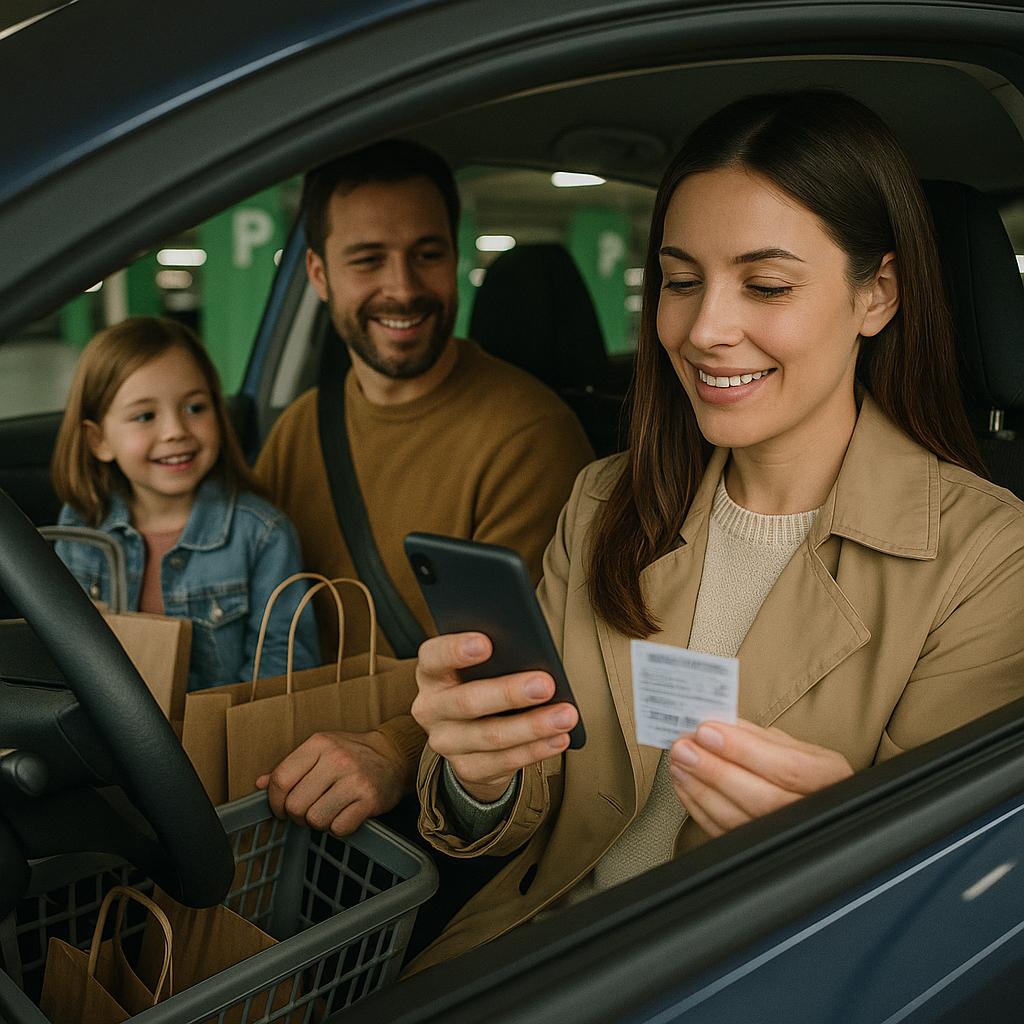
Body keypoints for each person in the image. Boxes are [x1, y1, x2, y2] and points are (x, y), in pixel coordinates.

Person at [406, 90, 1024, 972]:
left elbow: (945, 931)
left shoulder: (989, 560)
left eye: (766, 285)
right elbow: (521, 813)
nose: (703, 331)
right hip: (532, 956)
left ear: (875, 295)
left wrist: (847, 849)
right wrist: (479, 773)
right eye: (681, 281)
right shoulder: (602, 502)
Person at [253, 140, 594, 836]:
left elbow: (521, 680)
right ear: (318, 274)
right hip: (288, 770)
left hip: (440, 798)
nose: (403, 287)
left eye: (428, 253)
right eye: (368, 259)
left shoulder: (528, 433)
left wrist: (392, 750)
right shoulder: (298, 429)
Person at [51, 316, 319, 691]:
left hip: (225, 739)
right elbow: (66, 651)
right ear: (99, 441)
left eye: (195, 408)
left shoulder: (261, 534)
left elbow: (285, 664)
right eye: (145, 416)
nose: (176, 431)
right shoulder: (82, 525)